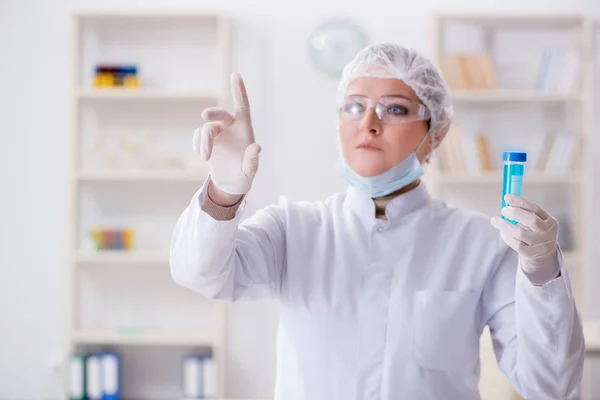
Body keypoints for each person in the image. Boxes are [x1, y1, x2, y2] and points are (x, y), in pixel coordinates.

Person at [170, 43, 585, 400]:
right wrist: (223, 192)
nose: (368, 123)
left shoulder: (479, 242)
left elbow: (550, 385)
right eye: (354, 106)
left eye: (395, 108)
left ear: (436, 133)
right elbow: (201, 273)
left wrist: (542, 272)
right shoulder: (294, 228)